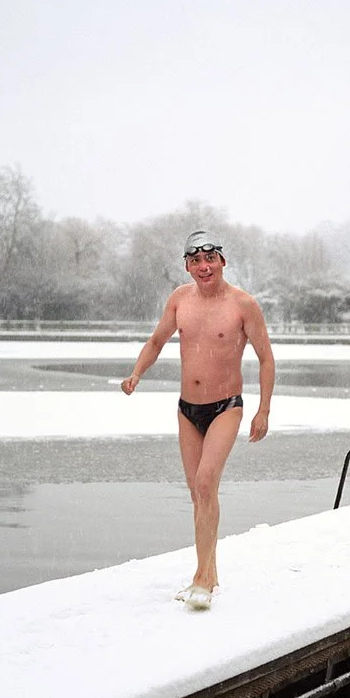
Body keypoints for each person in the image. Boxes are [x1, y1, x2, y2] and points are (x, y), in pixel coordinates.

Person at [121, 229, 275, 610]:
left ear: (222, 261)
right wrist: (137, 372)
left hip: (227, 406)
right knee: (197, 492)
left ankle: (202, 579)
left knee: (207, 482)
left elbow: (266, 357)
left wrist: (264, 410)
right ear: (188, 267)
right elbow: (157, 340)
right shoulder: (179, 300)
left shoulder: (243, 304)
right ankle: (211, 571)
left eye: (210, 259)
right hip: (187, 410)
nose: (203, 267)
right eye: (195, 261)